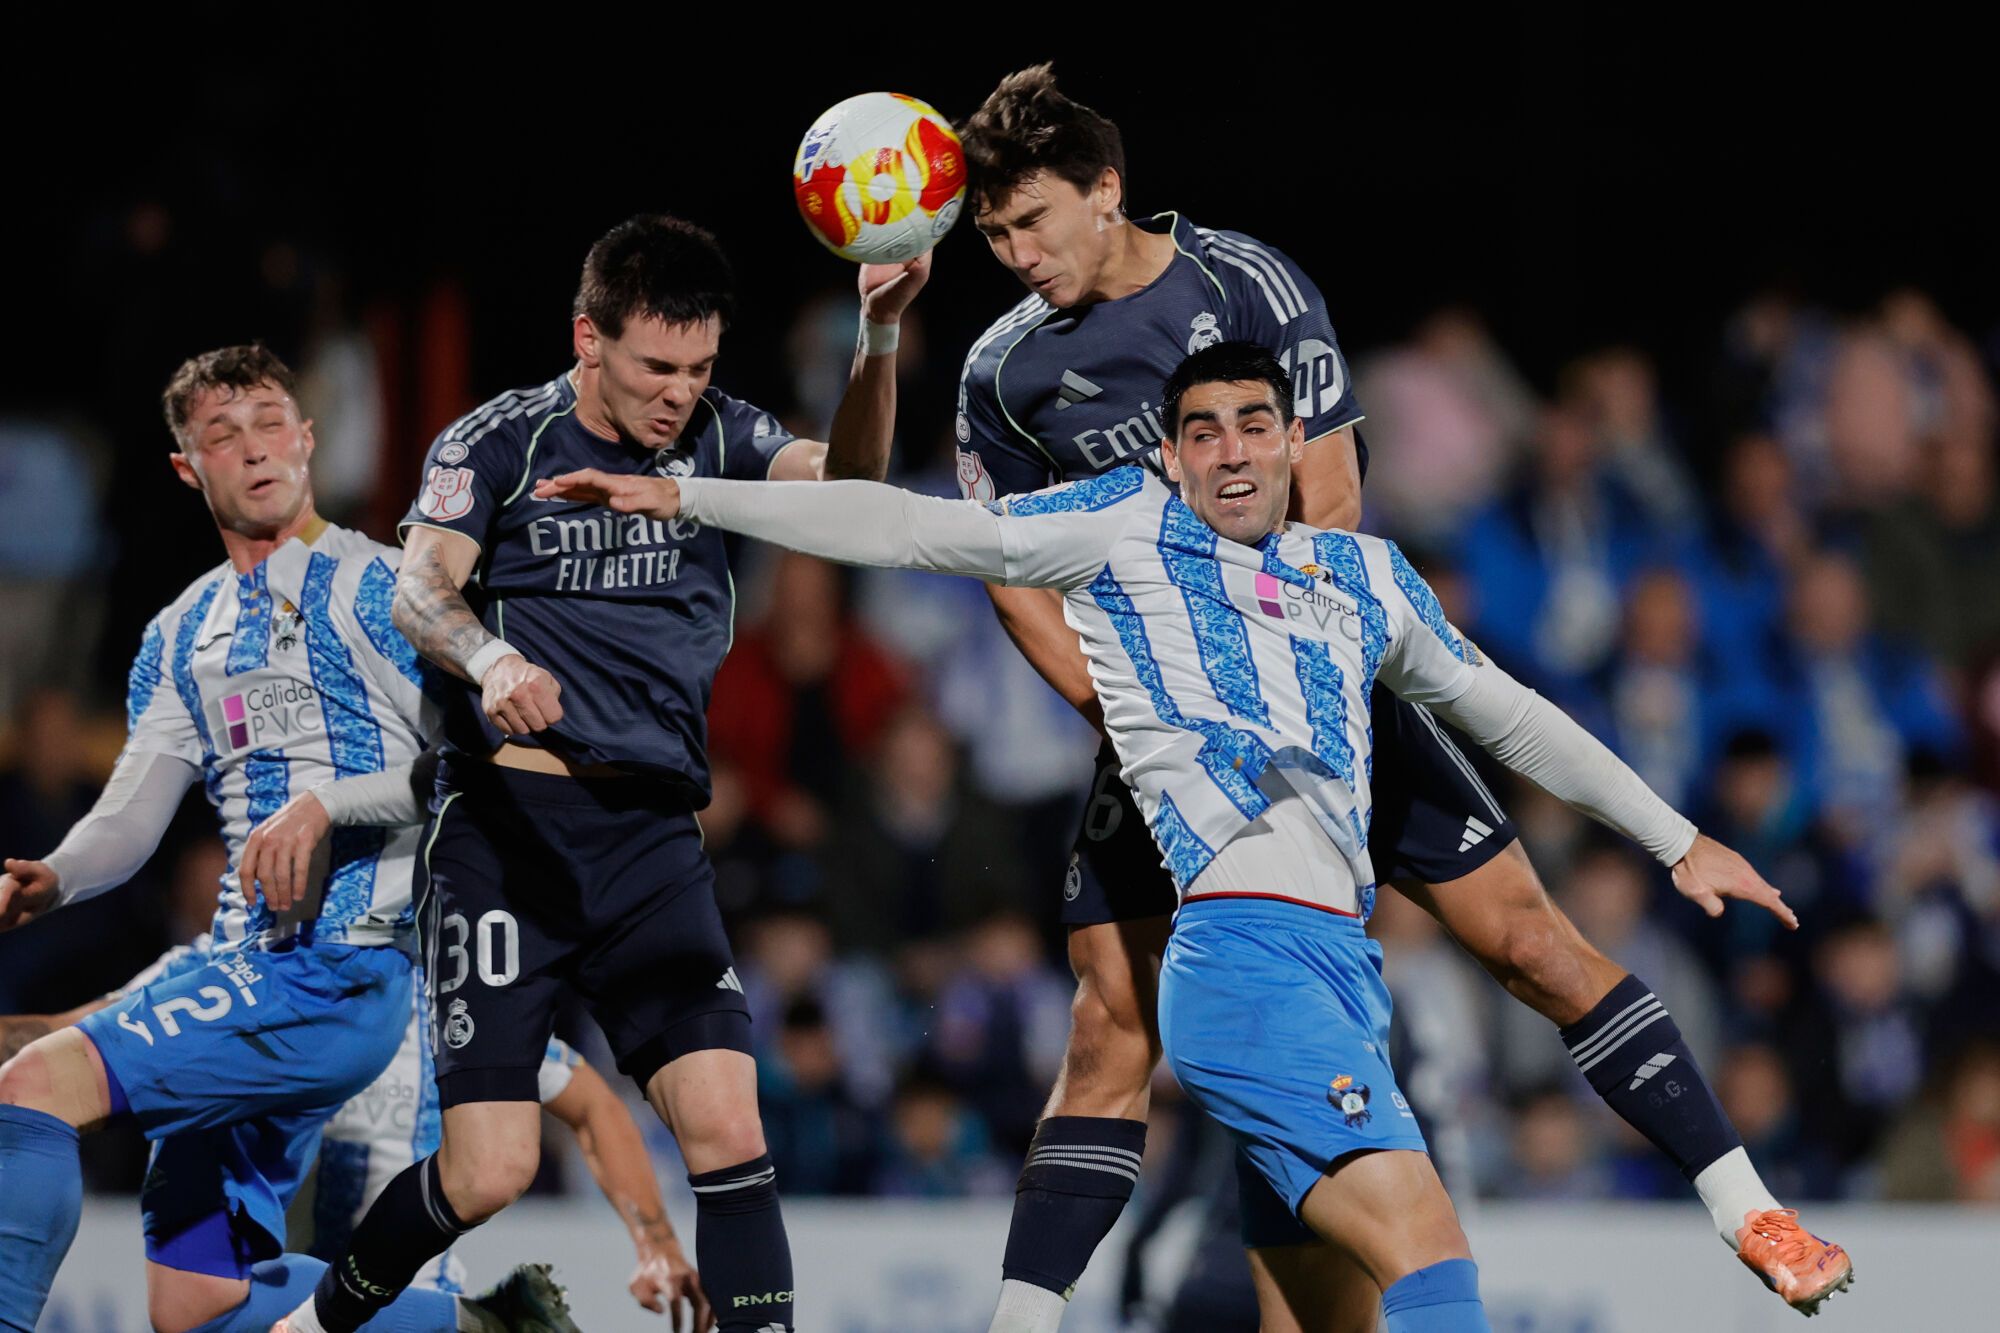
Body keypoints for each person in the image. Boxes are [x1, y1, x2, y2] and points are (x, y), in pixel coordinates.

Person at [535, 340, 1857, 1328]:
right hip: (1240, 966)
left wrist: (1678, 837)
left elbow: (1515, 717)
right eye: (1203, 430)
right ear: (1170, 452)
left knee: (1330, 1318)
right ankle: (1748, 1211)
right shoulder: (1121, 533)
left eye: (1254, 425)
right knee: (1437, 1266)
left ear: (1295, 443)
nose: (1229, 450)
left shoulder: (1363, 578)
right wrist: (690, 502)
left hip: (1341, 974)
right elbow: (908, 528)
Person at [932, 65, 1839, 1330]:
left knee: (1534, 944)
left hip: (1323, 686)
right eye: (992, 235)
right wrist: (1112, 701)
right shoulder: (999, 371)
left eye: (1031, 221)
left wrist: (1279, 670)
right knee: (1106, 1031)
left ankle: (1749, 1208)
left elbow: (1333, 501)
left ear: (1106, 192)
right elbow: (1002, 567)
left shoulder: (1245, 283)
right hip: (1168, 736)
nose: (1015, 254)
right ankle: (1017, 1324)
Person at [282, 214, 920, 1333]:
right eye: (654, 367)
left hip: (653, 841)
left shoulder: (720, 436)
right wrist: (489, 655)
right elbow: (417, 590)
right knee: (487, 1171)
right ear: (587, 336)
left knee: (728, 1125)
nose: (679, 393)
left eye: (699, 368)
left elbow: (853, 488)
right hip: (506, 836)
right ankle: (313, 1325)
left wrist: (877, 338)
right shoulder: (494, 443)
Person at [0, 345, 574, 1333]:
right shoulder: (182, 632)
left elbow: (469, 770)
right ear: (189, 467)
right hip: (244, 970)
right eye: (222, 435)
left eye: (271, 423)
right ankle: (472, 1327)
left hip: (335, 972)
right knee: (199, 1312)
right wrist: (56, 874)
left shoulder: (390, 594)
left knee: (29, 1087)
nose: (254, 449)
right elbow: (133, 816)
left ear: (307, 440)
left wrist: (326, 806)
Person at [0, 933, 708, 1327]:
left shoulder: (438, 1005)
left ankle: (474, 1323)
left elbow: (596, 1105)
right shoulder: (216, 980)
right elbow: (56, 1050)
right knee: (196, 1311)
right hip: (296, 1308)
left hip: (397, 1298)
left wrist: (657, 1241)